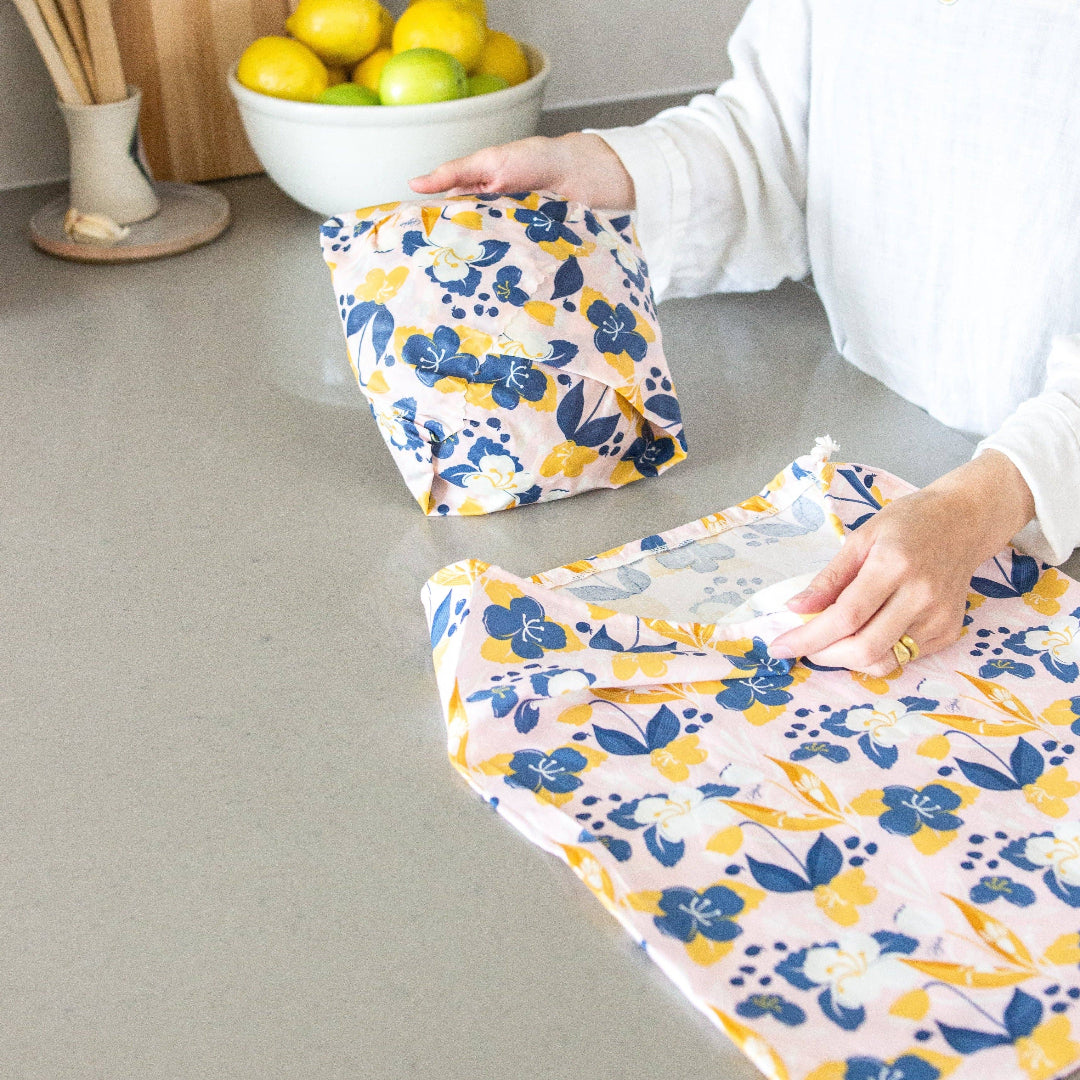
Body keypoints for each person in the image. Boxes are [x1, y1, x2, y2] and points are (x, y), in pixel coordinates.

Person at [410, 0, 1080, 678]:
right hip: (872, 423)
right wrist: (595, 171)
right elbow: (775, 143)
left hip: (1048, 502)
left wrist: (981, 505)